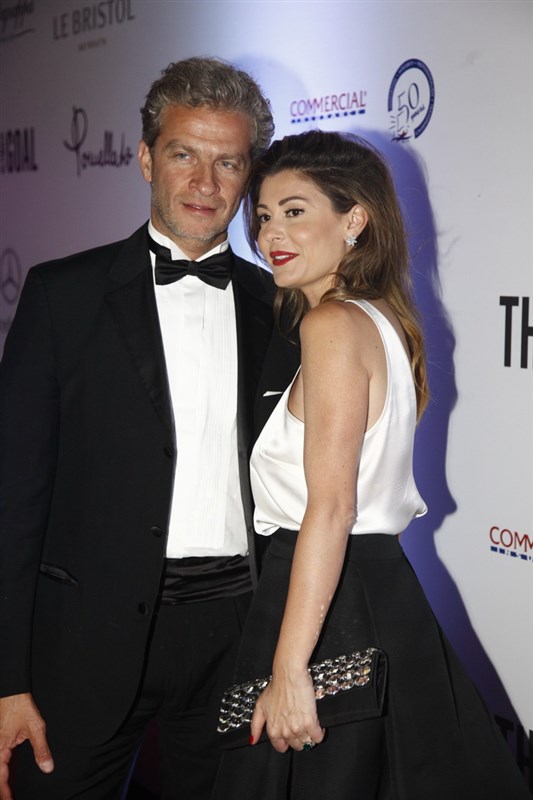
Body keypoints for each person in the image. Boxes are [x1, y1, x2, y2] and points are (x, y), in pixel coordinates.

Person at [0, 57, 299, 800]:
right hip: (84, 637)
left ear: (249, 175)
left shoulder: (284, 308)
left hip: (236, 633)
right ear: (144, 159)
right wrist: (6, 679)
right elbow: (13, 502)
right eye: (183, 155)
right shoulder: (62, 297)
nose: (205, 183)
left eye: (228, 162)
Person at [211, 130, 530, 799]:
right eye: (263, 215)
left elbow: (331, 508)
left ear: (354, 218)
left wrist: (290, 669)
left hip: (326, 602)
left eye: (295, 210)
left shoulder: (330, 326)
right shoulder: (381, 318)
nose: (271, 233)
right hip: (374, 591)